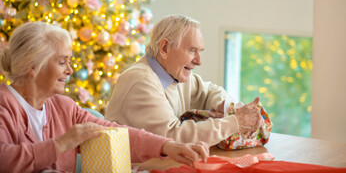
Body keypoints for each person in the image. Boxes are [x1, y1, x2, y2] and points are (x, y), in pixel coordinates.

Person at [0, 21, 209, 173]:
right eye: (62, 62)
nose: (70, 70)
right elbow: (4, 159)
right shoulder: (4, 105)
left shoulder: (63, 107)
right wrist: (61, 144)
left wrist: (168, 146)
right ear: (32, 66)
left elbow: (115, 133)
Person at [105, 15, 264, 146]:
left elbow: (209, 91)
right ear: (165, 48)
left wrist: (223, 105)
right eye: (192, 50)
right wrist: (234, 123)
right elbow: (173, 138)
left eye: (200, 51)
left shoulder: (174, 73)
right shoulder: (141, 81)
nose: (199, 61)